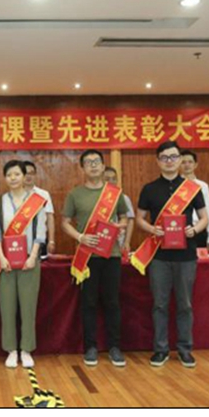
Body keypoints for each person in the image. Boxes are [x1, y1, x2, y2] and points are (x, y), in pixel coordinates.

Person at [134, 141, 209, 369]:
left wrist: (194, 230)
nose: (169, 161)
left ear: (179, 160)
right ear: (158, 161)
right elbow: (139, 218)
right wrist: (151, 229)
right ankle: (161, 349)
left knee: (185, 304)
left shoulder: (192, 188)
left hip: (186, 255)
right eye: (165, 157)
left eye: (174, 157)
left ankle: (185, 349)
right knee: (160, 304)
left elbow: (204, 218)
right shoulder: (149, 189)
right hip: (159, 255)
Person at [62, 151, 129, 367]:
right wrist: (80, 237)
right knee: (88, 302)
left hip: (112, 254)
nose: (93, 165)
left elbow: (125, 217)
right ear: (82, 168)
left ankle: (115, 347)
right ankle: (90, 347)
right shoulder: (75, 194)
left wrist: (120, 226)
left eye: (96, 162)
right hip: (87, 256)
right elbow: (65, 222)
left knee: (112, 302)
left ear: (102, 166)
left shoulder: (114, 193)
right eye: (88, 163)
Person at [0, 160, 47, 369]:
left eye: (16, 174)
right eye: (9, 175)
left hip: (29, 261)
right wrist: (1, 257)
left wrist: (33, 257)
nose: (13, 178)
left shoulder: (36, 201)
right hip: (5, 262)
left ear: (24, 176)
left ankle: (26, 349)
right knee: (7, 308)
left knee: (28, 307)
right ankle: (11, 350)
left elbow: (40, 233)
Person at [180, 150, 209, 250]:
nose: (187, 165)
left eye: (190, 162)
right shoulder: (175, 186)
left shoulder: (203, 186)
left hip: (199, 230)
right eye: (183, 162)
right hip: (180, 231)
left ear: (195, 165)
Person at [23, 161, 56, 258]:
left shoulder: (43, 194)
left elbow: (50, 218)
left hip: (39, 240)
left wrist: (51, 240)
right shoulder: (14, 195)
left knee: (40, 266)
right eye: (25, 173)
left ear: (35, 175)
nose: (28, 176)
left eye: (31, 173)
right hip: (20, 241)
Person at [103, 166, 136, 255]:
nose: (111, 182)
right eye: (107, 179)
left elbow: (130, 220)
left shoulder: (123, 198)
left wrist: (127, 242)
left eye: (114, 179)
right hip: (100, 240)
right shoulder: (96, 198)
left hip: (118, 242)